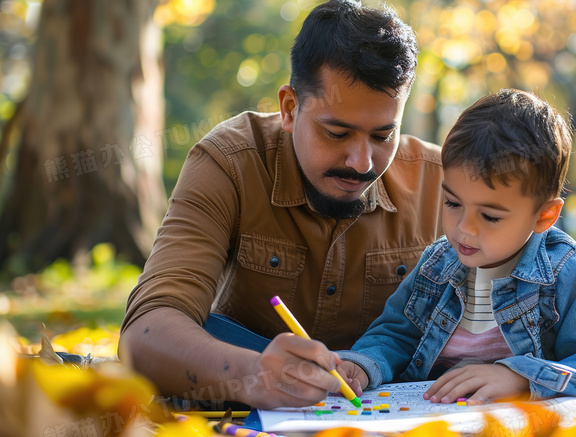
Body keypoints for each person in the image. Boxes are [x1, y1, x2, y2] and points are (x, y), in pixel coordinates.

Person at [118, 0, 444, 409]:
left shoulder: (443, 184)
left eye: (382, 136)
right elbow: (145, 332)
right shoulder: (229, 162)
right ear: (290, 108)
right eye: (337, 132)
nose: (361, 162)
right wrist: (251, 376)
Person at [336, 89, 576, 404]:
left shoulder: (561, 269)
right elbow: (395, 336)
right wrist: (363, 365)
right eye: (452, 203)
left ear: (544, 216)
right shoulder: (438, 262)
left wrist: (520, 377)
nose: (464, 228)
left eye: (490, 216)